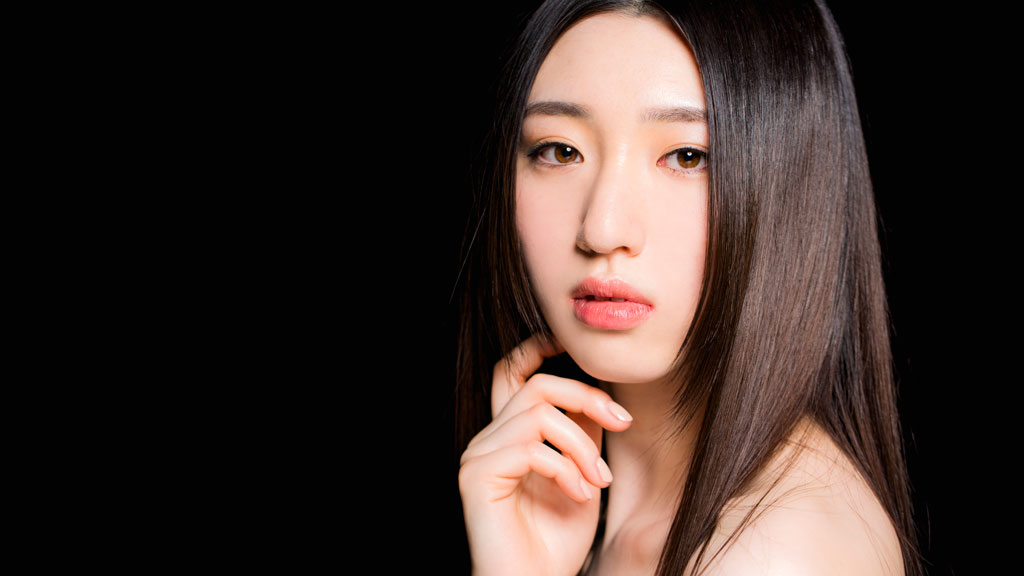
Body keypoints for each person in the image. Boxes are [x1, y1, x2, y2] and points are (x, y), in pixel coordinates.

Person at [453, 1, 922, 574]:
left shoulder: (775, 553)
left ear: (792, 185)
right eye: (560, 151)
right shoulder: (592, 518)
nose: (603, 229)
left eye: (686, 156)